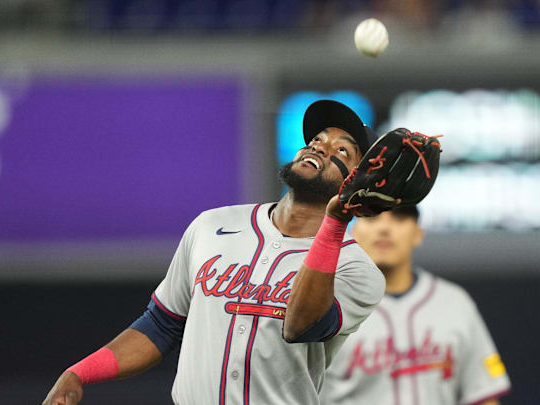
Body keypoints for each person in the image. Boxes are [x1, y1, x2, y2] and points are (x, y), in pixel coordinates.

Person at [42, 100, 387, 405]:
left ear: (355, 181)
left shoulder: (357, 269)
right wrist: (79, 372)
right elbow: (161, 325)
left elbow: (301, 324)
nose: (321, 149)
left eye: (342, 151)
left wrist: (336, 221)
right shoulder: (212, 225)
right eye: (316, 140)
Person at [321, 206, 511, 405]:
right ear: (354, 231)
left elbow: (483, 396)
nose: (384, 228)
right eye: (371, 217)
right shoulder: (325, 305)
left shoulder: (455, 302)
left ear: (418, 234)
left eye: (399, 218)